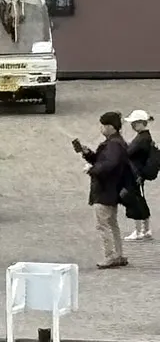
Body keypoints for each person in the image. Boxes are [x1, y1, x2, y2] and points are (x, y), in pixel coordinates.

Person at [74, 113, 132, 269]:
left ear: (110, 127)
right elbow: (103, 161)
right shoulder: (116, 144)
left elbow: (108, 165)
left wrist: (92, 170)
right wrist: (88, 154)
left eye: (103, 125)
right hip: (112, 189)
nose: (101, 128)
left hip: (105, 189)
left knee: (103, 225)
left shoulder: (113, 145)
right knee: (112, 224)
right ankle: (118, 254)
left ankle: (111, 255)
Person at [127, 111, 159, 244]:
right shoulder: (146, 137)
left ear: (140, 123)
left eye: (134, 123)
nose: (132, 126)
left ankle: (139, 230)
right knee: (140, 198)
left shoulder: (142, 139)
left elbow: (129, 153)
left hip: (136, 174)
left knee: (135, 200)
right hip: (139, 173)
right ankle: (145, 229)